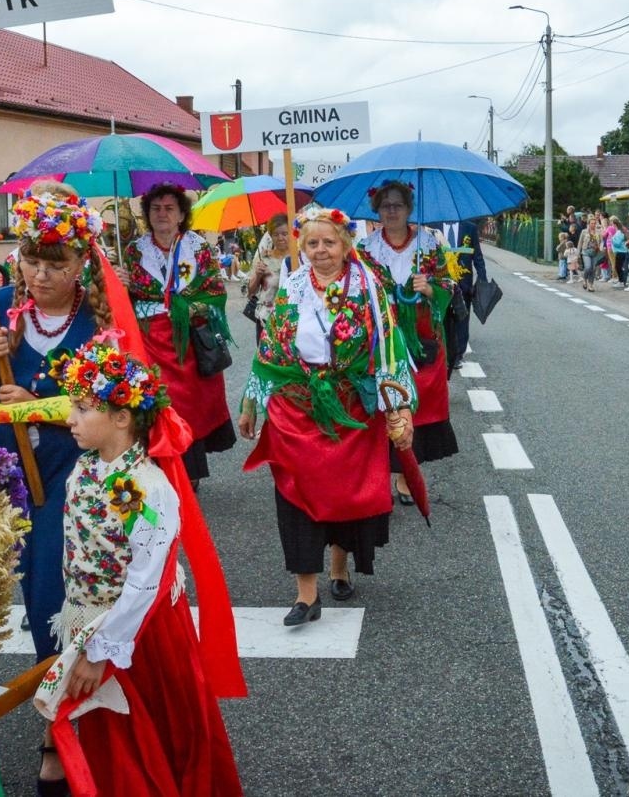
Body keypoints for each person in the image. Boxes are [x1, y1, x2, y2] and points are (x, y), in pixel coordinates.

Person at [0, 184, 111, 791]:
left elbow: (120, 406)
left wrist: (40, 406)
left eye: (56, 264)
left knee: (51, 597)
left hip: (70, 473)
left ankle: (55, 730)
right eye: (31, 261)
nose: (40, 275)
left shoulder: (99, 318)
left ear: (80, 265)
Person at [34, 336, 243, 797]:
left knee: (143, 729)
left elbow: (148, 578)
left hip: (137, 632)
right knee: (108, 730)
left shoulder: (146, 489)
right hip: (92, 619)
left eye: (83, 409)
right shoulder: (87, 468)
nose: (70, 419)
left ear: (122, 418)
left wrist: (100, 650)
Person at [238, 205, 416, 622]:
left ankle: (339, 566)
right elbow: (270, 349)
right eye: (312, 243)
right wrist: (253, 402)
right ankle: (306, 595)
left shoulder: (368, 287)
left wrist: (400, 407)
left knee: (344, 496)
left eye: (329, 242)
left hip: (348, 407)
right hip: (296, 406)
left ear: (345, 244)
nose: (320, 251)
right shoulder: (293, 286)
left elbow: (390, 348)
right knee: (293, 495)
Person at [357, 181, 460, 503]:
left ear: (408, 209)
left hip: (422, 337)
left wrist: (430, 288)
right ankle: (376, 474)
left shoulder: (428, 244)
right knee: (382, 402)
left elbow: (448, 285)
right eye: (385, 205)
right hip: (382, 336)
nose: (391, 211)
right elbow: (355, 288)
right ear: (377, 210)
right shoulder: (365, 248)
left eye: (397, 205)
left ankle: (406, 472)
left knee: (416, 403)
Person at [126, 183, 237, 482]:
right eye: (155, 208)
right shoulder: (133, 251)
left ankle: (190, 473)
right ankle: (158, 469)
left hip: (187, 341)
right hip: (149, 341)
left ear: (181, 214)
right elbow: (127, 300)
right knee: (156, 403)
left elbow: (215, 291)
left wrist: (188, 307)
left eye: (169, 208)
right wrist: (121, 281)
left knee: (190, 406)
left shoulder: (197, 248)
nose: (161, 214)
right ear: (147, 214)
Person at [439, 217, 486, 369]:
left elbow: (477, 255)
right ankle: (446, 352)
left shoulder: (469, 228)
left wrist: (482, 279)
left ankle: (459, 354)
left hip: (464, 283)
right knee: (443, 318)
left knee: (462, 317)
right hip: (441, 281)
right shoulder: (434, 227)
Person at [247, 213, 293, 345]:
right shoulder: (263, 258)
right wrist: (257, 275)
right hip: (265, 319)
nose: (280, 238)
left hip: (292, 320)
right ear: (270, 236)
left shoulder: (299, 259)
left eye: (285, 233)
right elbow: (250, 292)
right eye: (276, 234)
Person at [578, 215, 604, 292]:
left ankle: (590, 284)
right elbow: (580, 243)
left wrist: (601, 247)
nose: (593, 225)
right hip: (586, 251)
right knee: (588, 267)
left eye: (594, 223)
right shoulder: (584, 231)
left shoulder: (598, 232)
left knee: (593, 269)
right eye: (592, 223)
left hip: (595, 252)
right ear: (588, 224)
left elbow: (602, 241)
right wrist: (577, 254)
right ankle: (584, 279)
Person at [611, 218, 629, 287]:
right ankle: (622, 281)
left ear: (615, 224)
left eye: (612, 224)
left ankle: (621, 282)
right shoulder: (622, 231)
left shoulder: (619, 232)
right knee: (621, 267)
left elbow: (618, 243)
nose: (612, 226)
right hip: (624, 251)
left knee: (618, 267)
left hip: (621, 251)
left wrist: (612, 239)